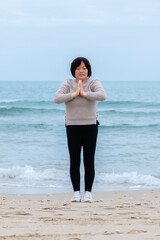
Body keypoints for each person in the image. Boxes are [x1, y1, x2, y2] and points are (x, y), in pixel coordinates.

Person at [54, 57, 106, 202]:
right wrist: (74, 94)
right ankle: (76, 192)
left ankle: (88, 192)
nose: (81, 71)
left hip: (90, 125)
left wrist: (84, 94)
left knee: (89, 160)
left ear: (88, 70)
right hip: (72, 126)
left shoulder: (93, 82)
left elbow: (102, 95)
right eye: (78, 68)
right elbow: (57, 98)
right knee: (74, 160)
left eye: (84, 68)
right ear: (73, 71)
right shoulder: (68, 83)